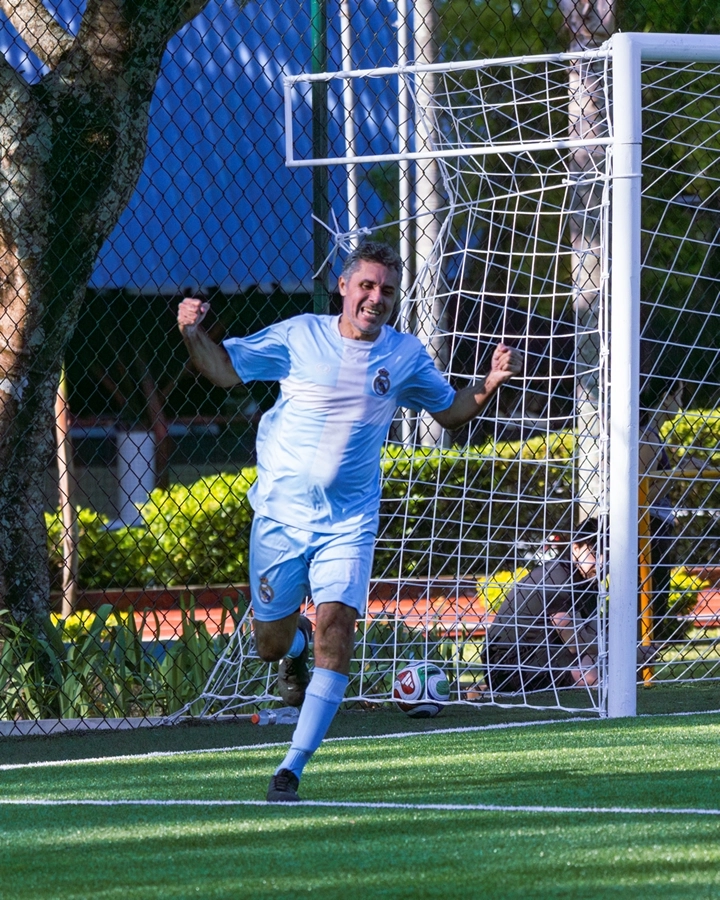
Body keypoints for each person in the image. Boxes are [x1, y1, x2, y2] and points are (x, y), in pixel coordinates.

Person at [178, 241, 522, 802]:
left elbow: (451, 411)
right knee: (270, 643)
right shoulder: (298, 336)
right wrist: (193, 333)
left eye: (387, 290)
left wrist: (489, 383)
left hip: (350, 522)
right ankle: (291, 653)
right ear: (344, 286)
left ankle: (291, 767)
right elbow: (221, 373)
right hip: (280, 519)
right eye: (367, 286)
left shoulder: (404, 354)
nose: (376, 298)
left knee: (336, 627)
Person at [484, 517, 602, 693]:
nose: (602, 563)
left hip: (534, 655)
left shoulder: (588, 581)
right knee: (595, 674)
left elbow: (592, 635)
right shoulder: (558, 579)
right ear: (576, 547)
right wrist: (629, 651)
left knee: (603, 664)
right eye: (595, 553)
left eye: (608, 556)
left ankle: (480, 692)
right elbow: (577, 643)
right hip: (507, 664)